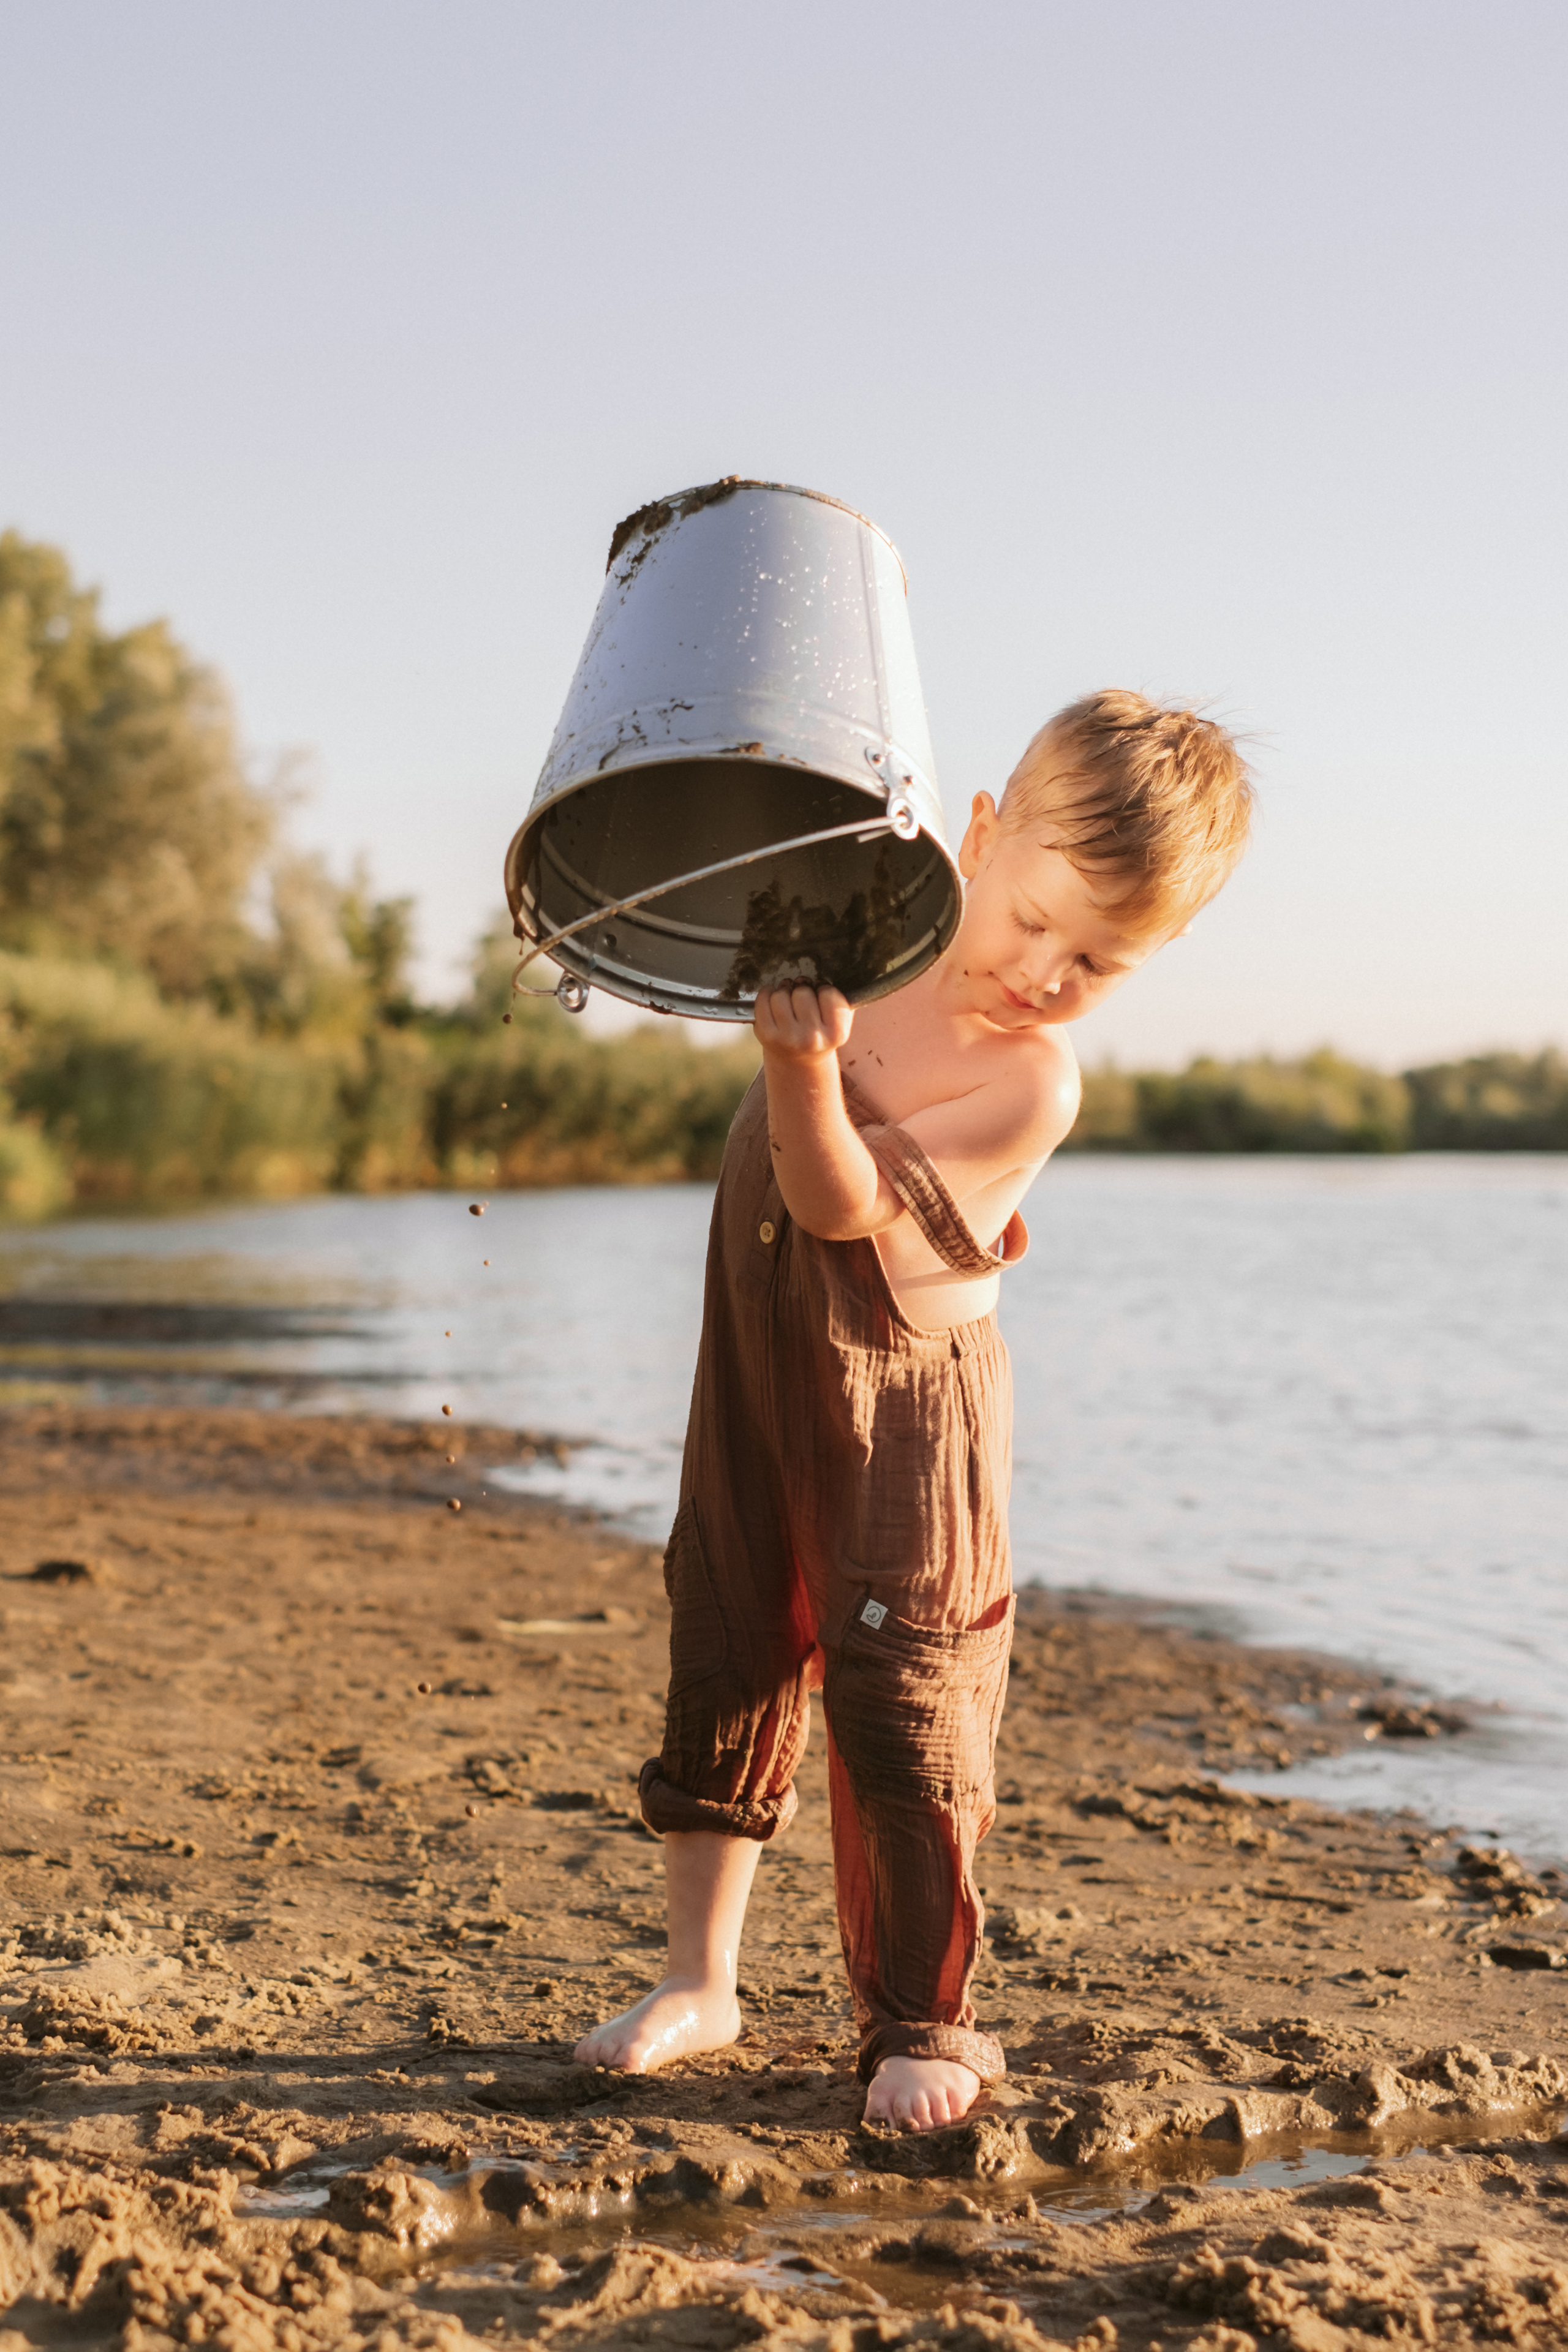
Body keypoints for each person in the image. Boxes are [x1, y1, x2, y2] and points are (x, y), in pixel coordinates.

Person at [576, 690, 1254, 2131]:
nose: (1045, 974)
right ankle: (702, 1982)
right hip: (757, 1382)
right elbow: (720, 897)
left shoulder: (1026, 1082)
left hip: (908, 1426)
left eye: (1100, 964)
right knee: (728, 1651)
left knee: (906, 1706)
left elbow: (837, 1200)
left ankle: (919, 2022)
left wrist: (799, 1067)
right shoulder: (861, 946)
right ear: (978, 836)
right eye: (1033, 921)